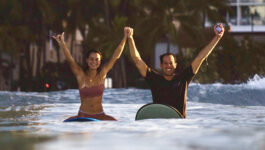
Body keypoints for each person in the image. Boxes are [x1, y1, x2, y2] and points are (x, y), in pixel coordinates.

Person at [127, 25, 224, 118]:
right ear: (161, 65)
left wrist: (217, 37)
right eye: (165, 63)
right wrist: (130, 38)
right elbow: (137, 59)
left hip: (179, 124)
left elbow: (200, 58)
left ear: (175, 65)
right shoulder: (154, 79)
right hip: (159, 122)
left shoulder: (183, 78)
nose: (168, 66)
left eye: (171, 63)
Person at [53, 27, 129, 121]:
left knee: (117, 123)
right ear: (87, 60)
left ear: (100, 61)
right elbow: (70, 61)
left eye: (97, 59)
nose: (94, 62)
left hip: (100, 115)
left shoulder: (102, 74)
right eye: (91, 59)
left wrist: (125, 37)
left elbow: (115, 56)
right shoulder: (81, 76)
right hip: (84, 116)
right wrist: (62, 43)